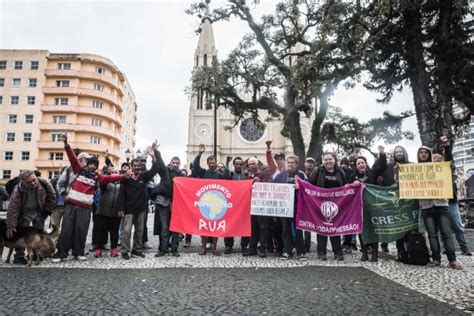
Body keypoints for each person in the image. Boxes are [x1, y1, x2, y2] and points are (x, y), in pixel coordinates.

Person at [53, 135, 126, 263]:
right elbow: (72, 157)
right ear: (87, 164)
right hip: (71, 204)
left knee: (81, 230)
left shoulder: (98, 178)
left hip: (85, 207)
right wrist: (66, 143)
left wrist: (125, 175)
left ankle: (78, 252)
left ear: (96, 166)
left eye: (94, 165)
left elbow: (112, 178)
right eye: (90, 164)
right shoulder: (79, 170)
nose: (92, 166)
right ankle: (61, 254)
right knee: (66, 229)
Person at [415, 148, 463, 269]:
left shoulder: (440, 167)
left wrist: (450, 168)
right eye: (421, 152)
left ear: (429, 155)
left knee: (446, 233)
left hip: (441, 204)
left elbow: (452, 178)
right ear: (418, 155)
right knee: (432, 235)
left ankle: (452, 259)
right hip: (426, 205)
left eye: (426, 152)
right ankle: (436, 259)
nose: (423, 154)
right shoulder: (415, 170)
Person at [118, 142, 160, 260]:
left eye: (139, 165)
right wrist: (121, 209)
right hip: (128, 209)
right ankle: (125, 251)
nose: (137, 167)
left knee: (139, 231)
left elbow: (155, 169)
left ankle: (136, 250)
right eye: (135, 165)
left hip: (141, 208)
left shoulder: (143, 176)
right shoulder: (125, 178)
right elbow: (121, 194)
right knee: (126, 232)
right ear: (131, 166)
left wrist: (153, 156)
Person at [6, 170, 56, 264]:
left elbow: (52, 196)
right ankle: (19, 256)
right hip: (25, 213)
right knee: (21, 235)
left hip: (39, 212)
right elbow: (13, 207)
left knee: (38, 235)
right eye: (29, 182)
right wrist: (11, 225)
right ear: (23, 182)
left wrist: (47, 210)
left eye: (34, 180)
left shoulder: (44, 183)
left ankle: (36, 254)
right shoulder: (18, 190)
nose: (33, 183)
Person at [308, 152, 349, 261]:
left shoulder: (340, 172)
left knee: (335, 227)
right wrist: (300, 185)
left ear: (334, 160)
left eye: (330, 159)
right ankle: (321, 252)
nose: (328, 161)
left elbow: (346, 185)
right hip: (320, 204)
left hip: (337, 205)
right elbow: (309, 183)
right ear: (322, 161)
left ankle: (338, 251)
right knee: (322, 228)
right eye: (325, 160)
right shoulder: (318, 171)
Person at [436, 136, 472, 256]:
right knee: (442, 226)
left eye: (438, 159)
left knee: (457, 225)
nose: (436, 161)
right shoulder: (431, 172)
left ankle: (464, 248)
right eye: (434, 159)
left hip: (451, 201)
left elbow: (449, 158)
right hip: (439, 201)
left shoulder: (448, 168)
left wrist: (446, 145)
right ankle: (445, 247)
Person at [372, 144, 410, 255]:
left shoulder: (412, 166)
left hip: (408, 201)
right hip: (392, 200)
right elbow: (377, 170)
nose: (398, 153)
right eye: (396, 152)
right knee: (397, 226)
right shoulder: (388, 166)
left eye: (400, 151)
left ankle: (411, 248)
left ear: (404, 153)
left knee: (408, 226)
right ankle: (399, 250)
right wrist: (382, 154)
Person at [273, 155, 308, 261]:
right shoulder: (282, 175)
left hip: (298, 206)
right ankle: (287, 251)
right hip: (285, 208)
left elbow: (309, 186)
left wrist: (301, 187)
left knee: (298, 230)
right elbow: (271, 186)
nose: (290, 164)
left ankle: (301, 252)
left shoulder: (301, 174)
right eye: (289, 162)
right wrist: (256, 187)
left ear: (297, 164)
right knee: (285, 230)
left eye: (292, 162)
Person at [193, 144, 224, 255]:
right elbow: (195, 166)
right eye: (210, 163)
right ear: (207, 164)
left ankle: (215, 248)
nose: (212, 164)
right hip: (205, 204)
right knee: (204, 227)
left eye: (213, 162)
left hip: (217, 205)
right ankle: (203, 247)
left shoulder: (220, 175)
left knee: (216, 227)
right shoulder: (204, 173)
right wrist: (200, 154)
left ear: (216, 163)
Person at [154, 155, 184, 257]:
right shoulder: (164, 171)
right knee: (164, 228)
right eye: (173, 162)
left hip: (177, 204)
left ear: (179, 165)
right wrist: (155, 154)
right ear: (170, 163)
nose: (175, 164)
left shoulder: (181, 175)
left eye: (177, 163)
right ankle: (163, 248)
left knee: (176, 228)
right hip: (163, 202)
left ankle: (174, 248)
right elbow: (159, 163)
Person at [243, 157, 272, 258]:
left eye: (253, 164)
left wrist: (260, 183)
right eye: (250, 164)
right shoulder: (247, 177)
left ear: (258, 165)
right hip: (251, 206)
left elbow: (270, 187)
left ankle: (262, 248)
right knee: (253, 227)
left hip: (262, 205)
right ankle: (253, 248)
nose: (251, 166)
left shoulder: (264, 174)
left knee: (263, 227)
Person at [54, 152, 91, 229]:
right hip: (61, 203)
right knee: (55, 227)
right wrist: (65, 195)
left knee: (68, 227)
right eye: (86, 160)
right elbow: (60, 184)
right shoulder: (69, 169)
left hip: (74, 205)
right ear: (80, 160)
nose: (88, 162)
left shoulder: (86, 172)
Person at [352, 156, 378, 262]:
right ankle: (364, 252)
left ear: (366, 164)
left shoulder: (372, 174)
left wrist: (381, 154)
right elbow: (347, 188)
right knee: (361, 229)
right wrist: (353, 185)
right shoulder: (352, 176)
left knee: (374, 228)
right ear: (356, 167)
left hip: (372, 205)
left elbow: (381, 166)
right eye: (358, 164)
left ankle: (375, 253)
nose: (361, 165)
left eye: (362, 162)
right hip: (359, 206)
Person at [223, 156, 249, 254]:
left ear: (242, 165)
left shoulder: (246, 175)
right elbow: (225, 175)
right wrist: (226, 163)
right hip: (231, 205)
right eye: (236, 164)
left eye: (240, 164)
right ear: (234, 165)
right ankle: (228, 245)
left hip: (243, 205)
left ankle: (245, 245)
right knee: (230, 225)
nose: (238, 166)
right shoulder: (230, 174)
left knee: (245, 225)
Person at [94, 166, 122, 258]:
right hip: (102, 211)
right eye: (112, 172)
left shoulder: (121, 184)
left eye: (116, 172)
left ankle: (114, 249)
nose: (114, 174)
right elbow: (101, 184)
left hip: (115, 212)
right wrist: (106, 175)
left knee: (114, 232)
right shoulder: (105, 181)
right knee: (101, 232)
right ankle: (98, 249)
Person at [303, 157, 316, 253]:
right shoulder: (301, 174)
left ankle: (308, 245)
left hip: (313, 202)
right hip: (302, 201)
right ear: (304, 164)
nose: (310, 164)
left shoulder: (317, 174)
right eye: (308, 162)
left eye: (312, 163)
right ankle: (304, 244)